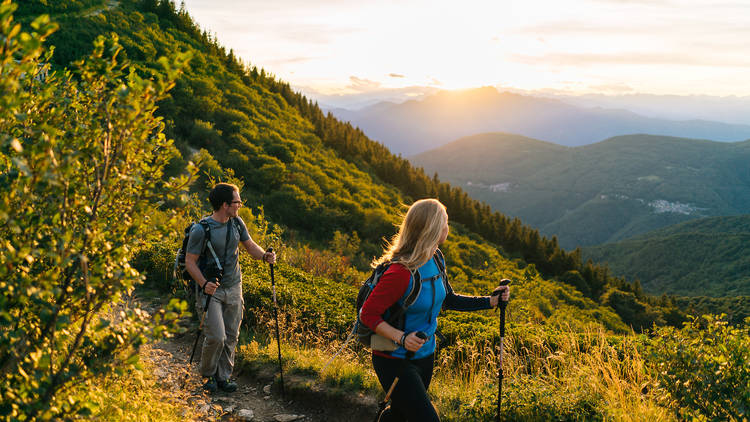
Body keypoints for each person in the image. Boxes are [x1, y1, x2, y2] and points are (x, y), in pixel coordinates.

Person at [360, 198, 510, 421]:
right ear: (433, 229)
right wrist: (402, 338)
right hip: (393, 357)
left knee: (402, 413)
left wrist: (490, 301)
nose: (448, 227)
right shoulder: (400, 273)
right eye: (445, 222)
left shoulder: (436, 258)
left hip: (425, 353)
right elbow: (368, 314)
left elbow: (448, 299)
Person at [184, 183, 276, 393]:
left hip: (234, 285)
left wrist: (265, 256)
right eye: (237, 202)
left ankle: (223, 377)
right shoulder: (201, 229)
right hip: (211, 289)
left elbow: (250, 245)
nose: (240, 205)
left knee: (231, 335)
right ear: (225, 205)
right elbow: (190, 261)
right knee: (217, 336)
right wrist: (204, 284)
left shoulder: (237, 223)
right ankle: (208, 376)